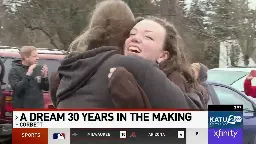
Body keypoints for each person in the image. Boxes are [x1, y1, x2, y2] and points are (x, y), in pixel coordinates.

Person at [56, 0, 194, 109]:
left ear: (164, 55)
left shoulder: (69, 70)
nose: (135, 38)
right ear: (123, 37)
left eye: (148, 37)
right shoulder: (131, 65)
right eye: (132, 33)